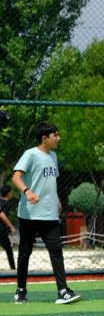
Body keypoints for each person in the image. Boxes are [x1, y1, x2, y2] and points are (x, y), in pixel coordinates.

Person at [11, 122, 79, 304]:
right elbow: (16, 176)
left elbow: (50, 182)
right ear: (44, 138)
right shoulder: (30, 154)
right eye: (55, 135)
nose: (58, 138)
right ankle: (21, 290)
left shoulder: (53, 156)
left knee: (56, 251)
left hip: (49, 214)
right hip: (29, 214)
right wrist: (28, 192)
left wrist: (56, 200)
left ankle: (63, 291)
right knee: (25, 252)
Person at [0, 186, 15, 269]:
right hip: (1, 230)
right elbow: (2, 215)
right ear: (8, 193)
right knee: (9, 250)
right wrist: (11, 226)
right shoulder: (7, 203)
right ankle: (13, 268)